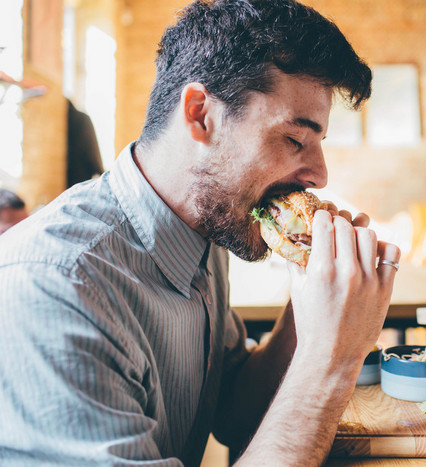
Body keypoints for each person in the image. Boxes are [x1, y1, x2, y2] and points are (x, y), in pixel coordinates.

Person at [0, 1, 400, 466]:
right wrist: (334, 361)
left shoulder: (209, 227)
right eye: (295, 140)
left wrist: (312, 308)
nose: (319, 175)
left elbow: (234, 413)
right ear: (200, 114)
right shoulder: (55, 286)